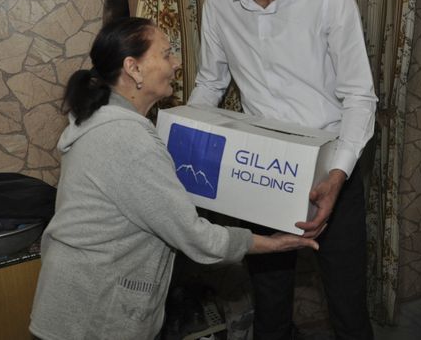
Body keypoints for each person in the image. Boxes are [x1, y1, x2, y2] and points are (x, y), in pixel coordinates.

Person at [29, 17, 319, 340]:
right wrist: (273, 243)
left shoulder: (99, 120)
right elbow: (197, 238)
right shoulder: (128, 140)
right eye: (167, 54)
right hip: (92, 317)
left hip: (71, 307)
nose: (177, 63)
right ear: (133, 69)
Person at [189, 0, 378, 339]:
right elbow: (210, 84)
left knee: (348, 308)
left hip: (332, 172)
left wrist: (338, 176)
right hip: (262, 173)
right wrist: (184, 143)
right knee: (270, 309)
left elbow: (359, 96)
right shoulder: (217, 7)